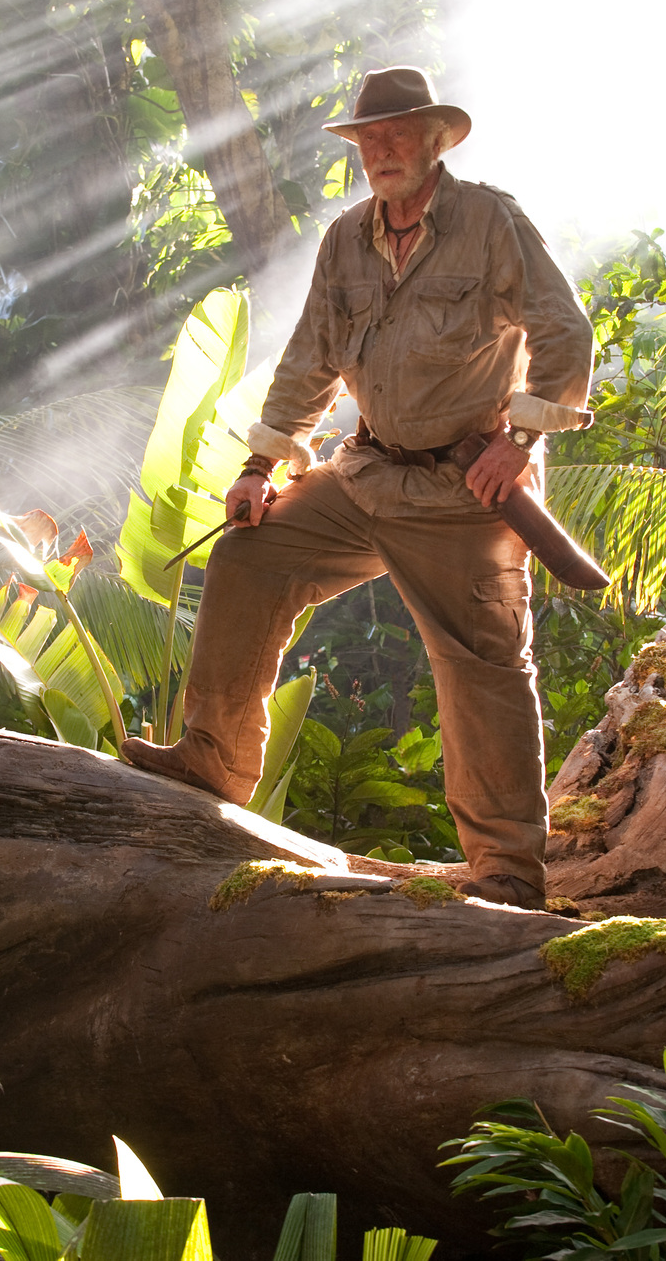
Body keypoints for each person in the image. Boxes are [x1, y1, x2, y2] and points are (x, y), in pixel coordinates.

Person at [122, 65, 594, 909]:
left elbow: (566, 332)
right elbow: (311, 356)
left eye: (397, 134)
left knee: (483, 663)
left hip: (462, 490)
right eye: (369, 138)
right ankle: (215, 761)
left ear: (434, 140)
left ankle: (508, 870)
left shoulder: (490, 221)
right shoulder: (347, 238)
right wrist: (262, 465)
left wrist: (518, 441)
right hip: (368, 473)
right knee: (249, 559)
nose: (381, 150)